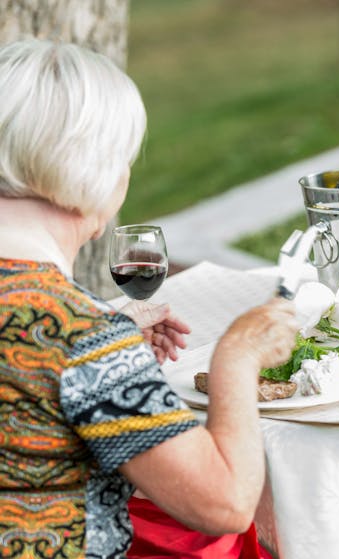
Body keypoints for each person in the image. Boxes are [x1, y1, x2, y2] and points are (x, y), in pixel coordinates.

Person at [0, 38, 297, 558]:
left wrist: (112, 339)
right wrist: (237, 358)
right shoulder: (80, 337)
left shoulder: (81, 333)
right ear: (93, 171)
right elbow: (224, 503)